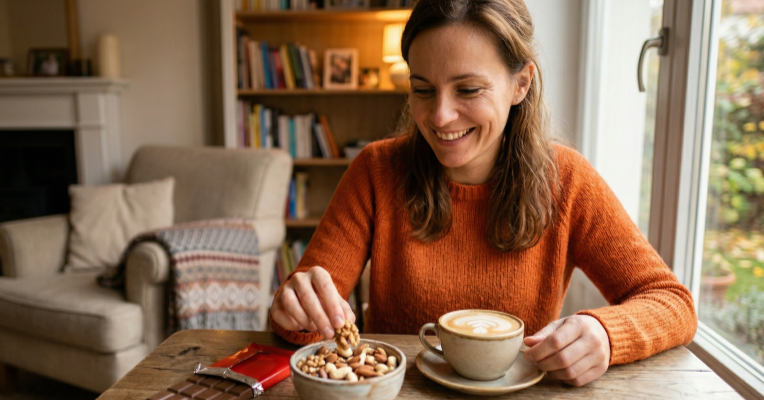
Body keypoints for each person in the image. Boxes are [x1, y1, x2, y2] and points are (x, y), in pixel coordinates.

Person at [269, 0, 697, 387]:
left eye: (468, 89)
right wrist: (295, 305)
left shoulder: (568, 180)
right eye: (422, 89)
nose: (440, 115)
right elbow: (302, 323)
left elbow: (672, 303)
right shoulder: (376, 170)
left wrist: (605, 334)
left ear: (521, 84)